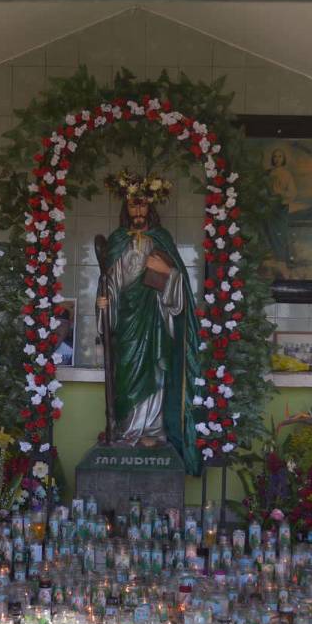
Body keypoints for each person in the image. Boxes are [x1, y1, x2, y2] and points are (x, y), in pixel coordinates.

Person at [95, 171, 202, 475]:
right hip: (126, 323)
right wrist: (103, 304)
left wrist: (168, 274)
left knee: (156, 371)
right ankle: (126, 428)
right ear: (126, 208)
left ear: (150, 208)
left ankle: (152, 430)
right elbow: (110, 283)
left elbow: (180, 285)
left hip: (155, 320)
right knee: (126, 374)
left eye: (143, 205)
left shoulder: (161, 240)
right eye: (133, 205)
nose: (138, 211)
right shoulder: (117, 242)